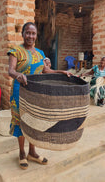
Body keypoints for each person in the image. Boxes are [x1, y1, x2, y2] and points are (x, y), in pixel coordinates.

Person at [7, 22, 73, 170]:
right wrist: (18, 75)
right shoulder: (15, 51)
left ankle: (32, 152)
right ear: (23, 34)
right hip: (19, 91)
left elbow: (45, 71)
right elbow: (10, 71)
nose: (30, 36)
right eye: (28, 33)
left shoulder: (40, 53)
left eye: (33, 33)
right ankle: (22, 153)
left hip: (35, 92)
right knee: (20, 121)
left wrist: (61, 72)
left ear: (36, 35)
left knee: (34, 121)